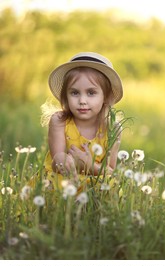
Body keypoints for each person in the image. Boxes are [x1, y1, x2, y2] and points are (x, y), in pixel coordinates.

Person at [42, 52, 123, 192]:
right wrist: (63, 160)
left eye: (91, 93)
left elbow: (110, 171)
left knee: (112, 187)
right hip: (64, 179)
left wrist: (88, 165)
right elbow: (56, 162)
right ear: (65, 96)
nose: (82, 101)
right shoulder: (59, 121)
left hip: (94, 184)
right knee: (53, 185)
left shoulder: (112, 128)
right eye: (74, 93)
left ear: (106, 96)